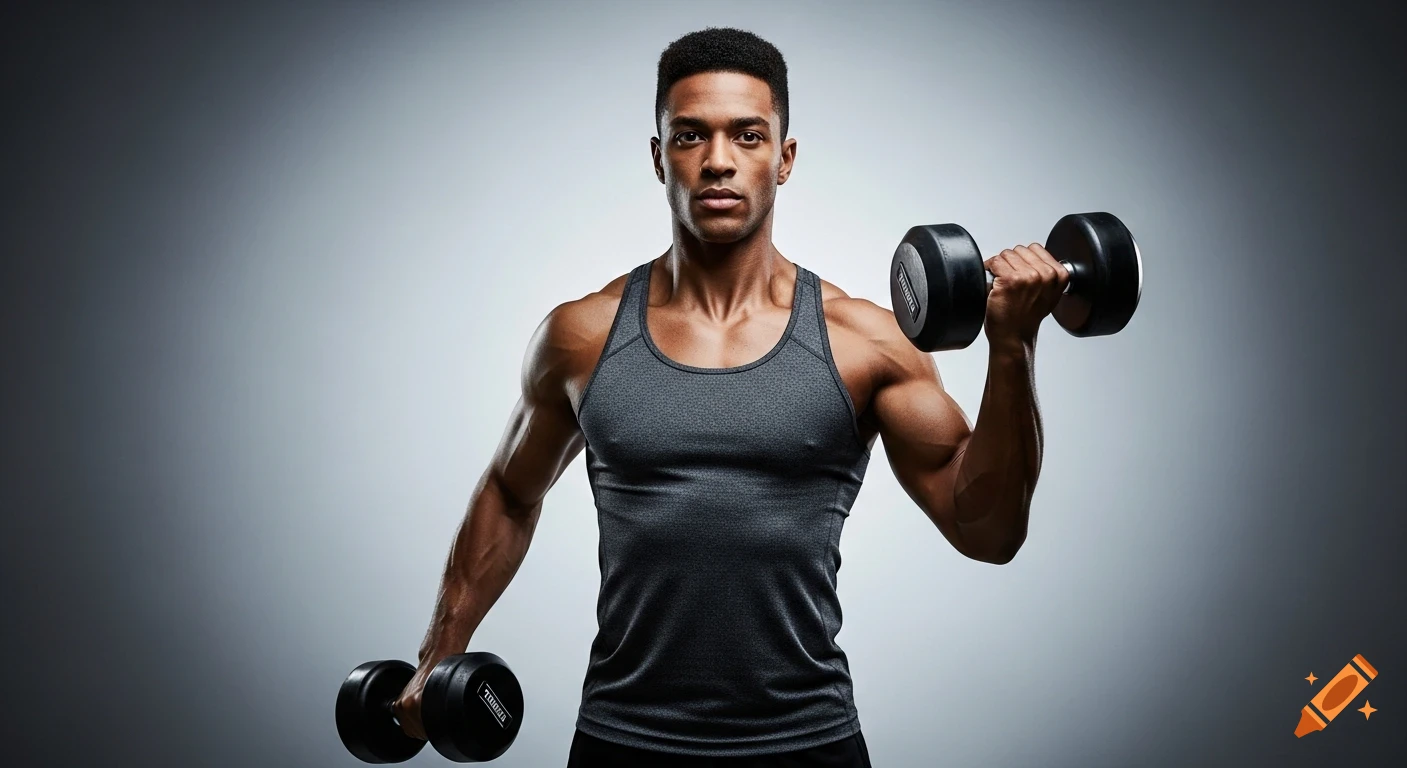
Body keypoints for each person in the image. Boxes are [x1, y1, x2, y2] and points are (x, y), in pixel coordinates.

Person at [392, 26, 1067, 768]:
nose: (718, 161)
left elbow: (990, 532)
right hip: (622, 742)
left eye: (748, 135)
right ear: (659, 157)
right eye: (690, 136)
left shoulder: (865, 343)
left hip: (808, 743)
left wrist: (1012, 347)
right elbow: (509, 493)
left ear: (784, 158)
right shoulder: (580, 338)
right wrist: (436, 656)